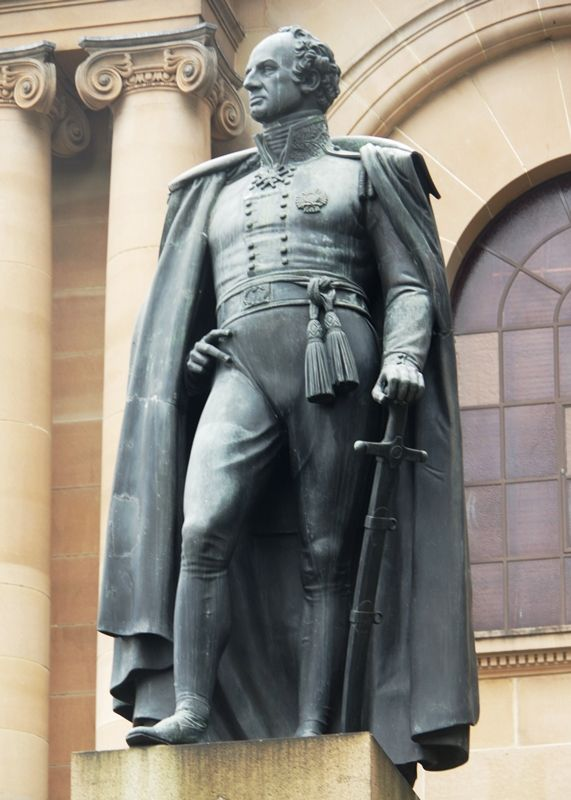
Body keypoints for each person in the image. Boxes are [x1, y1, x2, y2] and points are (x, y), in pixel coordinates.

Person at [98, 26, 478, 781]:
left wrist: (402, 355)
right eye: (250, 74)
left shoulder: (366, 173)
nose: (252, 84)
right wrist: (194, 351)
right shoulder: (214, 192)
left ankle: (313, 722)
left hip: (330, 362)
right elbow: (194, 303)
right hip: (239, 366)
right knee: (202, 528)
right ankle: (193, 707)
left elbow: (405, 284)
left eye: (268, 70)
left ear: (311, 82)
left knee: (324, 551)